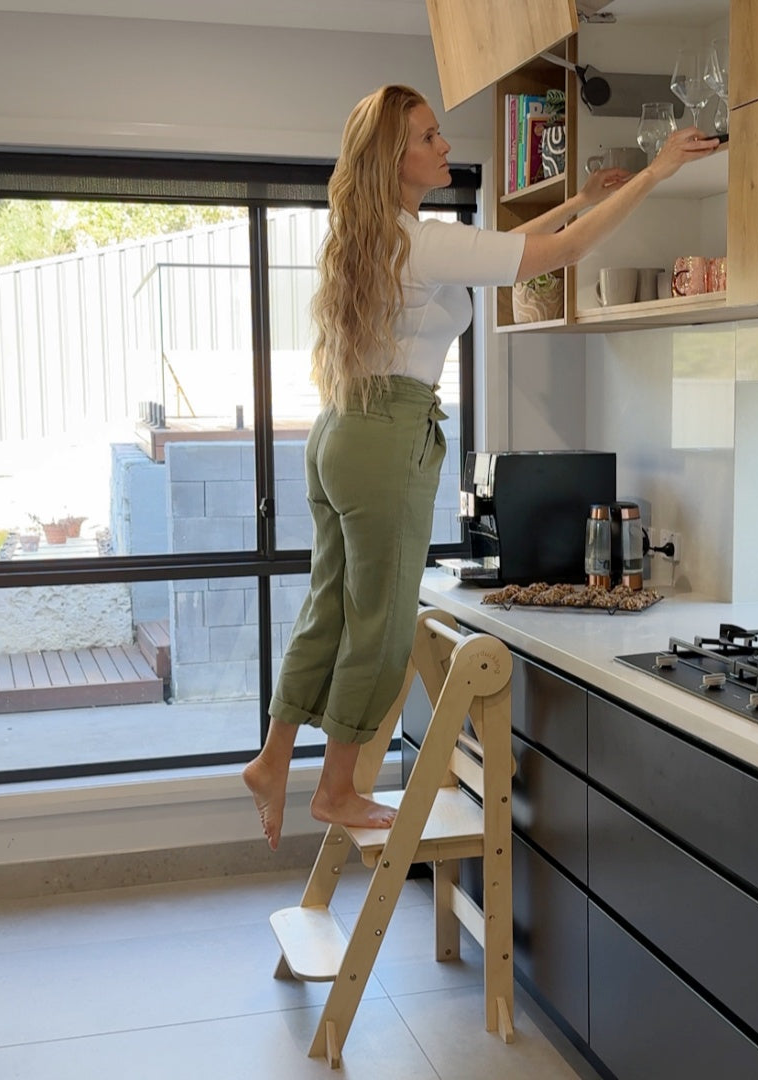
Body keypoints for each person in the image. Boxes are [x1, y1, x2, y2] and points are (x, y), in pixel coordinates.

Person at [243, 84, 719, 849]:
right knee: (381, 620)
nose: (445, 147)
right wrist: (655, 172)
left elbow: (508, 243)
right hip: (386, 438)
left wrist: (580, 198)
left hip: (340, 431)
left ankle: (273, 761)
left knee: (329, 606)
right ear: (395, 160)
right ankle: (334, 788)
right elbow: (554, 257)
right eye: (429, 138)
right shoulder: (424, 241)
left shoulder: (379, 235)